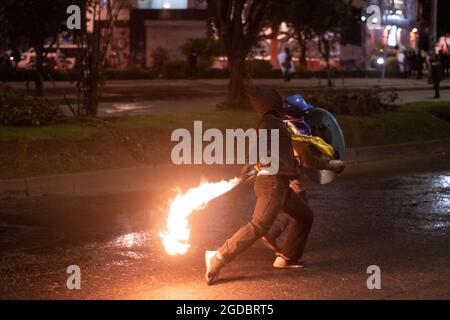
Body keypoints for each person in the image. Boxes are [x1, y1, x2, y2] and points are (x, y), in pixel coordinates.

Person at [205, 87, 314, 285]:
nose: (280, 101)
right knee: (258, 226)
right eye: (276, 99)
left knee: (305, 215)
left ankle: (288, 258)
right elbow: (259, 147)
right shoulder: (270, 122)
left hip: (279, 182)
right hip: (272, 184)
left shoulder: (275, 122)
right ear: (271, 102)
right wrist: (252, 163)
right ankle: (219, 257)